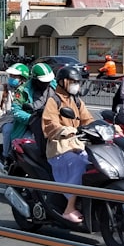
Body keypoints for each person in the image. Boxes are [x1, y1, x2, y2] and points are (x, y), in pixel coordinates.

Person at [41, 66, 95, 224]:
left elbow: (88, 120)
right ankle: (69, 208)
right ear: (63, 82)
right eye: (73, 82)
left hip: (77, 145)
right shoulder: (54, 101)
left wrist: (102, 127)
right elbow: (50, 125)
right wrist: (66, 131)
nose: (76, 85)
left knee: (92, 163)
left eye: (78, 82)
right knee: (79, 164)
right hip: (59, 148)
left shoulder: (77, 101)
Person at [0, 63, 31, 161]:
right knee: (8, 130)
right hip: (6, 119)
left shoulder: (28, 90)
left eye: (15, 76)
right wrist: (1, 115)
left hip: (24, 118)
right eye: (11, 76)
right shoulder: (3, 88)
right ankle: (6, 156)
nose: (12, 78)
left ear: (22, 78)